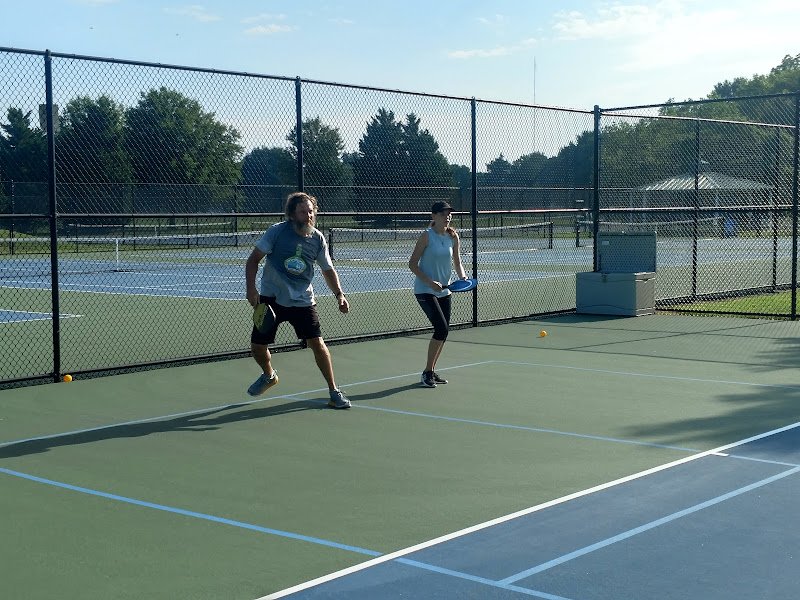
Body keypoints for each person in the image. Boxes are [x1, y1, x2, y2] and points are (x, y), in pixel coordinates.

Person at [245, 192, 351, 409]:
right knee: (257, 346)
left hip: (303, 300)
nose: (309, 215)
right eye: (304, 211)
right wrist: (251, 289)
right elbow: (253, 260)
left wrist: (339, 294)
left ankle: (334, 391)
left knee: (317, 344)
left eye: (311, 211)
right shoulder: (276, 232)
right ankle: (269, 375)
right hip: (272, 297)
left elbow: (328, 270)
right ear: (292, 214)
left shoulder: (317, 238)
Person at [408, 200, 467, 388]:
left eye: (449, 213)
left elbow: (457, 262)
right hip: (425, 290)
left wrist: (463, 278)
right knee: (441, 329)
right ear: (433, 216)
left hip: (445, 290)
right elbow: (412, 264)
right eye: (443, 213)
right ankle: (426, 373)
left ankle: (431, 372)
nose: (447, 216)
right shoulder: (426, 236)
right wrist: (431, 283)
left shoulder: (453, 237)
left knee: (444, 332)